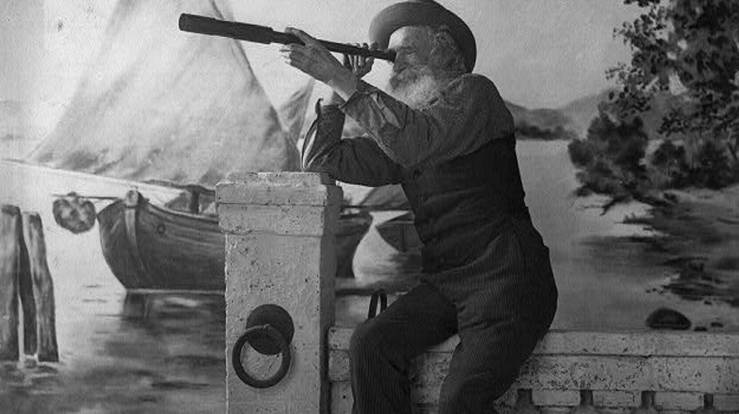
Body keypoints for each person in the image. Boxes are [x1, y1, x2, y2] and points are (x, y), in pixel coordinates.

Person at [280, 1, 558, 413]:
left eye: (404, 51)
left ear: (443, 48)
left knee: (461, 401)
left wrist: (338, 77)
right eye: (390, 56)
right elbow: (321, 160)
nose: (394, 63)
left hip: (508, 280)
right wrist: (336, 90)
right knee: (370, 345)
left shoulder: (476, 93)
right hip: (446, 282)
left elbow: (418, 140)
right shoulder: (403, 130)